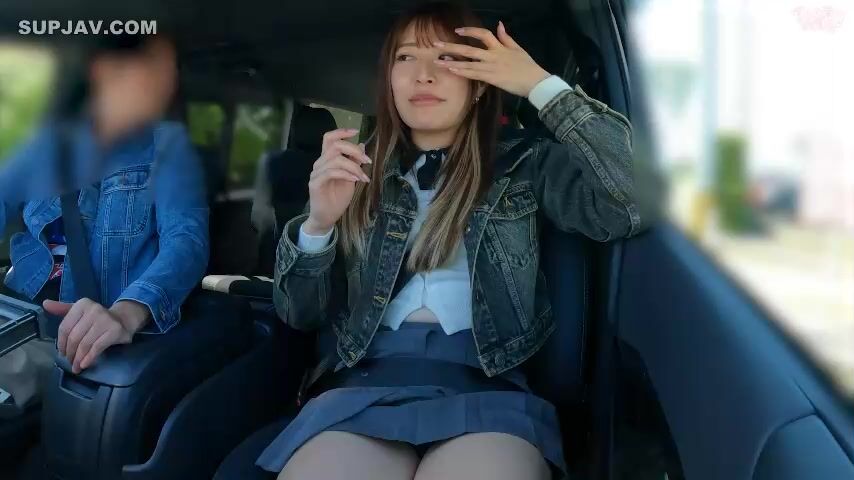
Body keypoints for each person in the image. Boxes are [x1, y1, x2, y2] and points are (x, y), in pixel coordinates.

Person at [261, 3, 647, 479]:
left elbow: (634, 199)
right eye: (405, 57)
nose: (423, 74)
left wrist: (541, 86)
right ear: (389, 80)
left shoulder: (528, 165)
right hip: (363, 382)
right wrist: (318, 225)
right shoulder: (350, 171)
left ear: (480, 82)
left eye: (446, 57)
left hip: (488, 384)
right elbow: (299, 315)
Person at [0, 34, 209, 415]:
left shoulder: (168, 147)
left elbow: (187, 242)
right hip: (17, 315)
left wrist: (126, 313)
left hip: (87, 334)